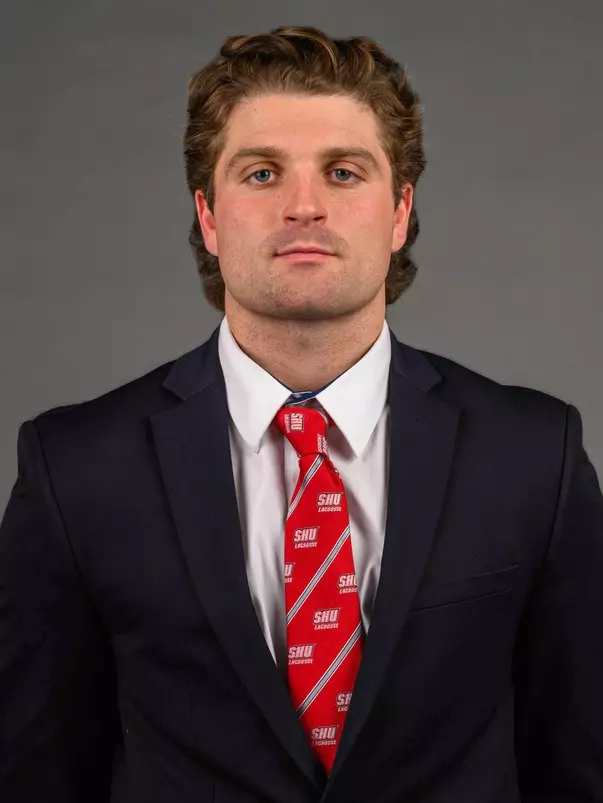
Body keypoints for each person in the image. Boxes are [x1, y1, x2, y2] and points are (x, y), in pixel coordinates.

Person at [1, 23, 602, 803]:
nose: (304, 205)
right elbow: (32, 773)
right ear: (209, 217)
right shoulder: (74, 466)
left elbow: (581, 766)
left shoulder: (534, 455)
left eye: (344, 172)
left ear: (398, 211)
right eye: (260, 173)